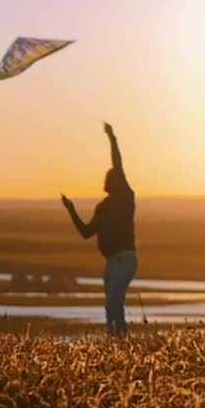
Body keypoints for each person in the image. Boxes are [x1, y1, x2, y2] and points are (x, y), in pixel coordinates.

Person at [61, 123, 137, 336]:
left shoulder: (125, 197)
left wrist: (112, 138)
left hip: (124, 259)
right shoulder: (103, 207)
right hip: (112, 262)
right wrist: (71, 209)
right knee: (111, 305)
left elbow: (118, 163)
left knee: (113, 302)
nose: (114, 178)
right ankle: (116, 340)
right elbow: (86, 232)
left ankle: (120, 340)